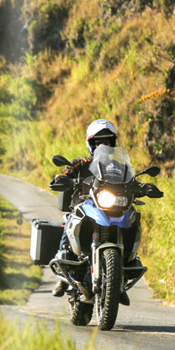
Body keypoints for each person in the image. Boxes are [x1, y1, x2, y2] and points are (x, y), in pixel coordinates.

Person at [50, 119, 119, 298]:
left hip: (109, 210)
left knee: (130, 219)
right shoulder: (79, 164)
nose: (103, 145)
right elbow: (65, 174)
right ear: (91, 144)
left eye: (107, 142)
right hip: (83, 208)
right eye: (98, 142)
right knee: (70, 221)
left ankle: (118, 277)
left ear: (113, 143)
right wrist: (61, 179)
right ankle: (62, 268)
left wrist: (143, 187)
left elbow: (131, 180)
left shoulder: (118, 167)